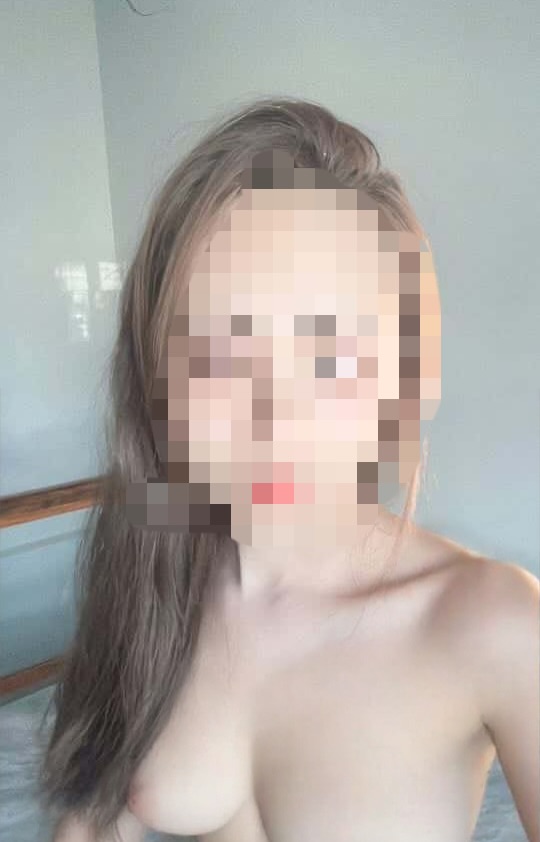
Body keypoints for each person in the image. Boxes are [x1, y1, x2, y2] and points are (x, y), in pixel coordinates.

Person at [41, 96, 539, 842]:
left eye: (328, 351)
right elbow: (89, 822)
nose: (272, 411)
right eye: (221, 345)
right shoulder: (149, 595)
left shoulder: (495, 620)